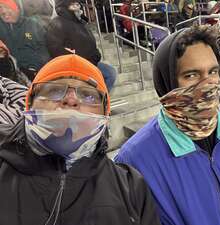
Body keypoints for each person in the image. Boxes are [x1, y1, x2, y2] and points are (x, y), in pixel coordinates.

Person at [115, 25, 220, 225]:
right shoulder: (136, 158)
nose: (208, 84)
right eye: (191, 75)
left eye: (213, 71)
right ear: (167, 82)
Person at [0, 53, 161, 225]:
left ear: (105, 114)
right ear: (30, 103)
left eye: (89, 95)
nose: (71, 99)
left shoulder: (131, 186)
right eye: (54, 90)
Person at [46, 0, 116, 91]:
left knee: (110, 73)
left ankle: (97, 99)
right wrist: (75, 57)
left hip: (90, 62)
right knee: (101, 77)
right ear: (64, 6)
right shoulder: (57, 23)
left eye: (78, 4)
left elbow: (90, 42)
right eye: (73, 4)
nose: (78, 6)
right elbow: (54, 47)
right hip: (76, 66)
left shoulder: (81, 22)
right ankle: (90, 98)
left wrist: (96, 53)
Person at [0, 0, 50, 81]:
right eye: (0, 8)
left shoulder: (32, 25)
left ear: (18, 9)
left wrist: (34, 68)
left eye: (7, 7)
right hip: (10, 76)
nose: (3, 11)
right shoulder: (1, 28)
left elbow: (43, 50)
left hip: (35, 73)